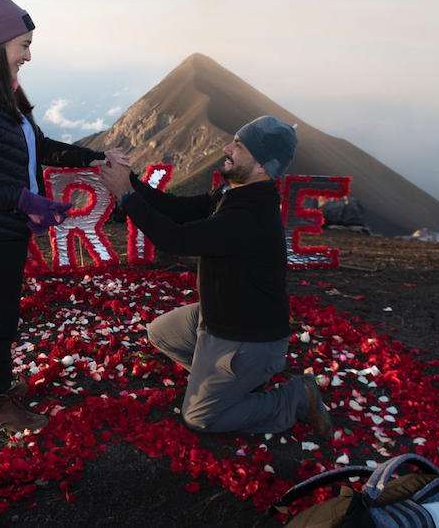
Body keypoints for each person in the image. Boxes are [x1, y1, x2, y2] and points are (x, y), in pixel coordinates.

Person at [0, 0, 126, 433]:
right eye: (24, 46)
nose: (28, 55)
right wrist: (23, 198)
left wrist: (94, 156)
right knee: (0, 315)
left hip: (4, 221)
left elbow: (36, 146)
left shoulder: (3, 89)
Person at [99, 116, 333, 440]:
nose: (226, 148)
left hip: (247, 337)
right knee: (160, 333)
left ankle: (295, 398)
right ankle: (231, 381)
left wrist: (126, 196)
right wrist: (131, 182)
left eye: (239, 145)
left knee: (200, 419)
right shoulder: (234, 194)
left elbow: (175, 239)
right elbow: (176, 209)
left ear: (263, 166)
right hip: (219, 318)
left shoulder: (251, 216)